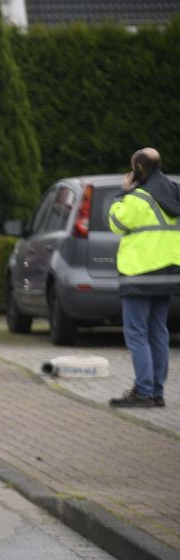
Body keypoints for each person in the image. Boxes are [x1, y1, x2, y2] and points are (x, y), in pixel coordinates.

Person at [108, 147, 180, 408]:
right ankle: (157, 391)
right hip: (169, 272)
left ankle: (144, 391)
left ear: (138, 168)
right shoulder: (174, 191)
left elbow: (116, 222)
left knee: (137, 333)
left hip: (139, 273)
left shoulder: (138, 197)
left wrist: (122, 193)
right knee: (158, 332)